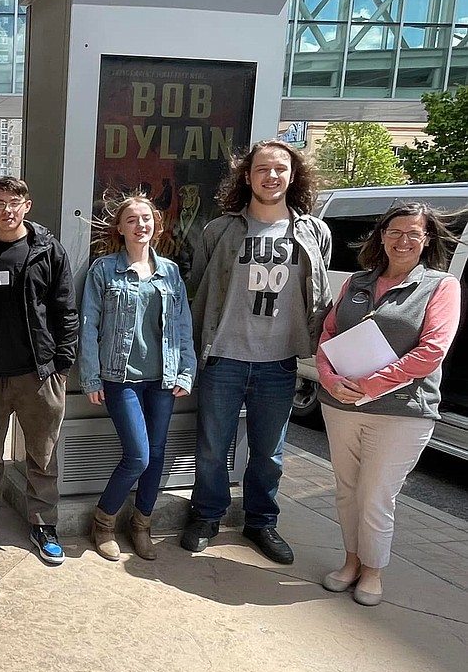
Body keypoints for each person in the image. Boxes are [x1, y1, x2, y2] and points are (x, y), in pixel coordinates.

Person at [180, 140, 332, 564]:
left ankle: (261, 521)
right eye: (262, 168)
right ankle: (206, 516)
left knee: (270, 452)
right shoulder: (220, 230)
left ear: (293, 176)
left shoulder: (313, 232)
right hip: (225, 356)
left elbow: (315, 294)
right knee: (212, 446)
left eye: (281, 169)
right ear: (247, 176)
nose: (272, 176)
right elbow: (200, 290)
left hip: (280, 362)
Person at [315, 204, 462, 606]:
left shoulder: (441, 286)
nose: (403, 240)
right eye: (395, 232)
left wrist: (369, 385)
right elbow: (328, 334)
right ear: (382, 235)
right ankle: (350, 562)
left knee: (376, 494)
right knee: (347, 490)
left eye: (413, 233)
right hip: (342, 405)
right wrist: (329, 379)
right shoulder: (357, 283)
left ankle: (373, 571)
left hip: (401, 411)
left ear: (426, 240)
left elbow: (431, 352)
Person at [0, 176, 79, 566]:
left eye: (14, 202)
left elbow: (65, 310)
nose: (7, 209)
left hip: (37, 374)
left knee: (43, 455)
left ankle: (44, 525)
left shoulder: (47, 251)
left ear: (27, 205)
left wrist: (62, 364)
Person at [79, 193, 195, 561]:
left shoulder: (170, 272)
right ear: (120, 227)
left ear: (156, 225)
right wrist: (92, 377)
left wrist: (186, 371)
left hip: (162, 378)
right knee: (139, 456)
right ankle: (104, 522)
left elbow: (182, 325)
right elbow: (88, 325)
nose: (140, 225)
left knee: (157, 456)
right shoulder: (104, 270)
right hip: (120, 377)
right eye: (131, 219)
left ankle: (142, 525)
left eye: (146, 218)